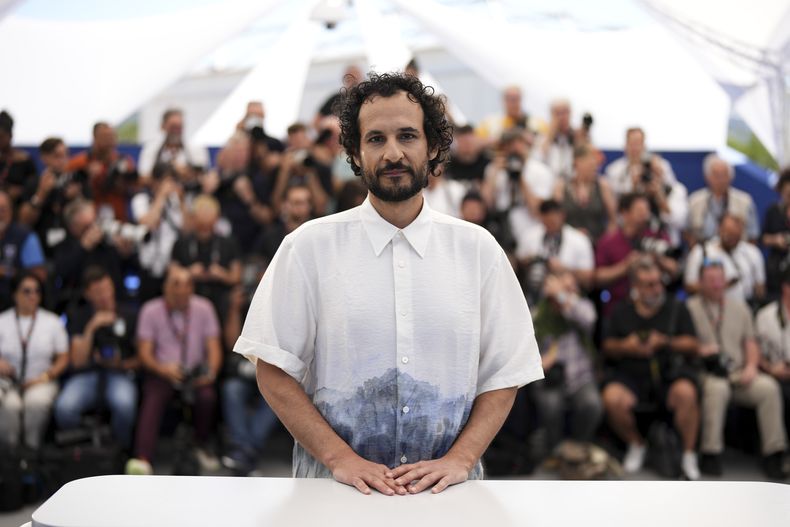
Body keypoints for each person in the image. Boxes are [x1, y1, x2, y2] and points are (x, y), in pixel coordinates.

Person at [234, 72, 543, 495]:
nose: (393, 153)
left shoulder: (478, 250)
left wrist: (461, 458)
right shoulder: (307, 247)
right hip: (334, 496)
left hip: (447, 499)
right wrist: (338, 458)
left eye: (407, 136)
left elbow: (505, 372)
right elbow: (272, 368)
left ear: (432, 146)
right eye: (376, 139)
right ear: (355, 152)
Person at [601, 257, 701, 480]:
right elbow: (607, 346)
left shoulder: (676, 307)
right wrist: (626, 346)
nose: (656, 289)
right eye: (649, 285)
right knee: (612, 397)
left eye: (658, 283)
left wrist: (664, 341)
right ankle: (636, 444)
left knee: (686, 392)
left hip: (669, 375)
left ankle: (689, 454)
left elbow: (693, 345)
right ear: (635, 287)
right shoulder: (621, 310)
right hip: (631, 376)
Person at [687, 261, 788, 479]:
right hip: (708, 372)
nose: (716, 284)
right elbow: (683, 343)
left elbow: (751, 342)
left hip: (739, 370)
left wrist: (751, 366)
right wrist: (700, 350)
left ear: (726, 281)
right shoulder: (690, 308)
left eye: (719, 279)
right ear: (700, 282)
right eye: (711, 280)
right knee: (717, 389)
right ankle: (710, 452)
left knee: (768, 388)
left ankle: (774, 452)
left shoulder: (739, 308)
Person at [126, 266, 222, 475]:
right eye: (176, 285)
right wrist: (163, 369)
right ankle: (143, 458)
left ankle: (200, 444)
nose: (181, 291)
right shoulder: (150, 310)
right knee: (153, 398)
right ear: (166, 288)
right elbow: (144, 353)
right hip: (162, 372)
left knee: (207, 397)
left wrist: (211, 372)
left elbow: (214, 347)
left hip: (194, 372)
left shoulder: (204, 307)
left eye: (187, 286)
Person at [53, 267, 139, 450]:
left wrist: (121, 363)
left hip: (120, 373)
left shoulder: (130, 313)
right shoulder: (79, 315)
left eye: (108, 288)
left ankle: (120, 452)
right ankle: (84, 448)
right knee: (64, 408)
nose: (105, 295)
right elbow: (77, 361)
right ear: (87, 294)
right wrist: (92, 327)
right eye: (98, 292)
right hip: (87, 373)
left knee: (125, 405)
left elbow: (142, 358)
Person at [528, 270, 602, 458]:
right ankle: (556, 452)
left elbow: (588, 319)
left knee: (592, 404)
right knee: (550, 406)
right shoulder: (539, 313)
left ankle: (577, 447)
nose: (570, 293)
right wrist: (539, 363)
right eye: (564, 288)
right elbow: (525, 349)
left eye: (571, 289)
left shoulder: (581, 306)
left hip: (580, 377)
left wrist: (560, 295)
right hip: (550, 379)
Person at [0, 272, 69, 450]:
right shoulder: (2, 321)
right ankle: (10, 455)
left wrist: (45, 377)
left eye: (37, 291)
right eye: (27, 291)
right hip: (9, 382)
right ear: (15, 294)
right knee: (9, 407)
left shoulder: (52, 321)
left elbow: (63, 357)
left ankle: (32, 452)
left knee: (36, 404)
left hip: (41, 380)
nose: (33, 296)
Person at [220, 284, 279, 475]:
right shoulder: (243, 302)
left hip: (273, 369)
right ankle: (245, 450)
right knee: (232, 389)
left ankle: (243, 452)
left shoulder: (281, 298)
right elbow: (231, 343)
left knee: (277, 396)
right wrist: (235, 309)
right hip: (244, 371)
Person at [594, 193, 677, 314]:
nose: (645, 215)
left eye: (647, 210)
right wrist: (625, 267)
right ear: (624, 213)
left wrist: (658, 260)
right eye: (639, 211)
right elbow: (597, 278)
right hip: (619, 307)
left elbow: (675, 269)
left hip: (658, 307)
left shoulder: (658, 236)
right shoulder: (608, 242)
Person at [170, 194, 241, 319]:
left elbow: (237, 276)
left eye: (209, 223)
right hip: (190, 294)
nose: (205, 228)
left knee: (234, 299)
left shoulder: (228, 243)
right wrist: (189, 273)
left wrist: (223, 275)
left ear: (217, 219)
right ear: (194, 218)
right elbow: (172, 274)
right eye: (201, 224)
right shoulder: (182, 243)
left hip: (220, 294)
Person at [19, 137, 89, 257]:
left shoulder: (77, 181)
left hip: (72, 248)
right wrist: (41, 194)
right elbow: (24, 222)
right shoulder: (33, 183)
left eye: (66, 155)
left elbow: (88, 218)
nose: (63, 160)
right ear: (44, 158)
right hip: (41, 247)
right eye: (57, 156)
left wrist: (77, 199)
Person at [130, 163, 186, 302]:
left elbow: (186, 228)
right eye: (166, 181)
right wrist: (161, 196)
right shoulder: (141, 199)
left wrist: (182, 201)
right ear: (155, 181)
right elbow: (149, 225)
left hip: (172, 267)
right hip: (149, 268)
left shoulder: (175, 201)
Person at [516, 199, 594, 296]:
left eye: (553, 222)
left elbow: (588, 279)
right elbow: (518, 263)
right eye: (546, 222)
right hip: (534, 290)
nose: (550, 225)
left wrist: (564, 269)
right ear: (541, 217)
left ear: (562, 216)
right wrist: (531, 261)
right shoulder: (529, 236)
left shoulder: (579, 240)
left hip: (570, 293)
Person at [684, 214, 765, 303]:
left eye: (736, 236)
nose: (732, 239)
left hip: (745, 305)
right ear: (719, 229)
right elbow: (689, 286)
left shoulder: (752, 252)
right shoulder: (701, 252)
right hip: (711, 305)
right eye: (729, 234)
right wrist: (720, 286)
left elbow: (760, 287)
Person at [67, 122, 137, 223]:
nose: (109, 141)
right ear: (95, 138)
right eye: (105, 136)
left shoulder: (124, 162)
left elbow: (135, 187)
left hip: (118, 219)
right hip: (88, 220)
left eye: (112, 136)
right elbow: (68, 193)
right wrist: (88, 178)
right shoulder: (79, 163)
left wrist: (123, 182)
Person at [687, 154, 759, 245]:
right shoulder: (694, 201)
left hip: (737, 250)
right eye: (716, 175)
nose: (720, 180)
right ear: (707, 177)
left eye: (724, 175)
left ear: (731, 177)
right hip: (703, 249)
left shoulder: (745, 201)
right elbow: (687, 231)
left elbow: (753, 235)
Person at [552, 143, 617, 244]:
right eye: (590, 163)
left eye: (595, 164)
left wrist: (605, 242)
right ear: (577, 162)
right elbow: (554, 217)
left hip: (597, 242)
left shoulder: (602, 186)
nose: (594, 167)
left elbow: (613, 220)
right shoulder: (561, 186)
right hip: (568, 242)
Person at [755, 265, 790, 441]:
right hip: (775, 373)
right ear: (785, 288)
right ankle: (777, 449)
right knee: (775, 390)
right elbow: (756, 353)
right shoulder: (765, 316)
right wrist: (770, 368)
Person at [0, 190, 47, 311]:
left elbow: (39, 276)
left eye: (3, 210)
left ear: (11, 211)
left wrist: (6, 272)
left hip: (15, 306)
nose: (0, 215)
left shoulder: (25, 236)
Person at [137, 108, 210, 181]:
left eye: (179, 127)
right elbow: (143, 177)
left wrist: (186, 173)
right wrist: (165, 174)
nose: (176, 131)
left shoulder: (196, 149)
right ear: (163, 126)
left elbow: (204, 175)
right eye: (173, 127)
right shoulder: (151, 149)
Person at [604, 127, 679, 197]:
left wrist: (661, 177)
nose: (635, 148)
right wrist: (632, 186)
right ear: (625, 145)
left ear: (644, 145)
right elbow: (613, 198)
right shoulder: (614, 170)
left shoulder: (661, 165)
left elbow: (674, 191)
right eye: (632, 144)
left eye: (638, 143)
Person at [761, 168, 790, 300]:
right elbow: (762, 238)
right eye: (787, 193)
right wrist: (776, 240)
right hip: (776, 268)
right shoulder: (773, 211)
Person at [532, 98, 576, 181]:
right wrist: (550, 135)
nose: (562, 117)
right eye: (558, 113)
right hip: (548, 182)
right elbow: (537, 160)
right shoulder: (542, 138)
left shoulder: (576, 137)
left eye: (565, 112)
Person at [0, 110, 37, 203]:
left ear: (10, 136)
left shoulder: (24, 160)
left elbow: (34, 186)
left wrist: (20, 191)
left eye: (1, 137)